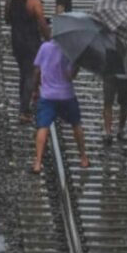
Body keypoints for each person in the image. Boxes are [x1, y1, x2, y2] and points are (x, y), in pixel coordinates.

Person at [30, 39, 89, 173]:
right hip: (66, 95)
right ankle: (83, 157)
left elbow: (37, 71)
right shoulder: (71, 51)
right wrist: (77, 65)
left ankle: (38, 162)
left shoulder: (44, 47)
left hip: (47, 96)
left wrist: (35, 89)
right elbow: (70, 76)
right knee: (76, 124)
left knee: (43, 126)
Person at [6, 0, 51, 123]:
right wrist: (49, 39)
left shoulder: (11, 0)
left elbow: (7, 19)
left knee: (23, 74)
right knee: (30, 75)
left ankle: (23, 105)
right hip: (31, 42)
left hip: (16, 42)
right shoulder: (34, 2)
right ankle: (24, 111)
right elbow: (42, 24)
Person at [102, 40, 127, 145]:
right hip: (110, 71)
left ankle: (121, 130)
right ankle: (108, 132)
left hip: (126, 72)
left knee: (125, 104)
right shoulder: (106, 32)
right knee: (108, 101)